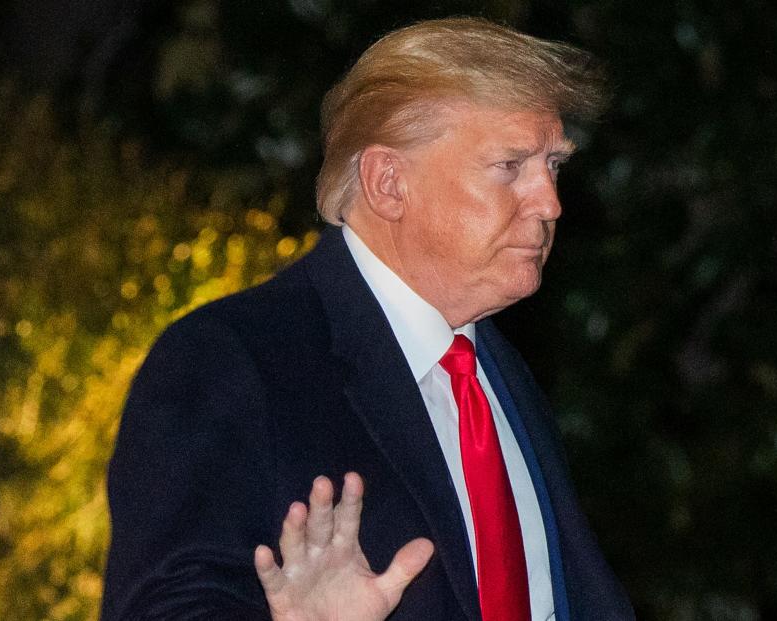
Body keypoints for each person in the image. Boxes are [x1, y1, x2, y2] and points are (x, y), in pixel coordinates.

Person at [101, 16, 634, 620]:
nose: (550, 202)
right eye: (510, 166)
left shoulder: (498, 375)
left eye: (554, 166)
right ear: (388, 183)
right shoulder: (229, 360)